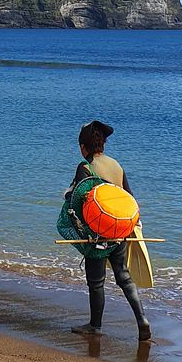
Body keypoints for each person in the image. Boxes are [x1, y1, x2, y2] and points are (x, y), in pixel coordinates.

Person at [66, 119, 151, 341]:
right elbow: (129, 198)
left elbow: (76, 200)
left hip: (98, 235)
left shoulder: (85, 167)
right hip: (120, 230)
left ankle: (95, 325)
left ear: (84, 147)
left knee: (96, 282)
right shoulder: (116, 165)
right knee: (124, 277)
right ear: (103, 144)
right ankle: (142, 320)